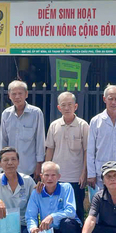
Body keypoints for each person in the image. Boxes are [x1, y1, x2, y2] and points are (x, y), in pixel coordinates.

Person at [24, 162, 82, 233]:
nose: (49, 178)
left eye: (53, 175)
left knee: (67, 223)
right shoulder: (37, 192)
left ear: (59, 176)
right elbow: (30, 215)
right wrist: (32, 228)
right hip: (50, 231)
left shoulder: (66, 188)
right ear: (41, 176)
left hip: (69, 228)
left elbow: (71, 211)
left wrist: (52, 216)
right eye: (46, 175)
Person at [45, 92, 89, 222]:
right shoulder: (54, 125)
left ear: (75, 106)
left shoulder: (83, 126)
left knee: (77, 209)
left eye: (70, 104)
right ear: (59, 108)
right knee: (56, 209)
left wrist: (84, 173)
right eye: (63, 105)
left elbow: (87, 151)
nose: (67, 108)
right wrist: (46, 173)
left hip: (76, 177)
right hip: (57, 177)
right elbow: (50, 149)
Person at [1, 80, 45, 179]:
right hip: (10, 167)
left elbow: (40, 139)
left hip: (30, 168)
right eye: (14, 94)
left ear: (26, 94)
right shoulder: (6, 114)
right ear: (9, 95)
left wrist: (39, 165)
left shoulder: (36, 113)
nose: (17, 97)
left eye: (20, 93)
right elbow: (3, 140)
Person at [87, 85, 116, 189]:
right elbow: (90, 150)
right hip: (100, 173)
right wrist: (91, 174)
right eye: (110, 99)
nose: (113, 102)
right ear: (104, 99)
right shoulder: (96, 121)